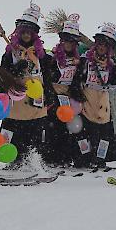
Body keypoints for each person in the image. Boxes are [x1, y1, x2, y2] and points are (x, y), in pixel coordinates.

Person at [0, 2, 56, 163]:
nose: (26, 34)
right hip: (16, 100)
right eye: (23, 31)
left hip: (36, 102)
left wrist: (49, 93)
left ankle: (34, 161)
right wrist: (17, 68)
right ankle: (14, 160)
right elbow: (4, 76)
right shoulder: (10, 53)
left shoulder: (42, 54)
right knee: (14, 132)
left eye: (29, 31)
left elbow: (47, 76)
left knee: (36, 132)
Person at [68, 23, 116, 168]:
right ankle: (83, 158)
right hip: (87, 103)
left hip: (103, 105)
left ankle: (100, 159)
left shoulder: (113, 65)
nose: (101, 47)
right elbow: (76, 81)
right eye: (99, 44)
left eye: (105, 45)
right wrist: (78, 95)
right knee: (82, 134)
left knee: (104, 136)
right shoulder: (85, 61)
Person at [42, 13, 83, 166]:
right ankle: (51, 158)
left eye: (72, 42)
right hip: (53, 96)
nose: (69, 44)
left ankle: (66, 157)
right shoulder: (51, 57)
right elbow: (45, 77)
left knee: (68, 129)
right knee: (53, 128)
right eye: (66, 41)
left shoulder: (79, 60)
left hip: (69, 97)